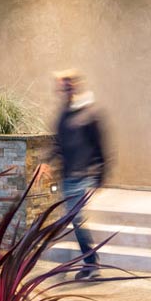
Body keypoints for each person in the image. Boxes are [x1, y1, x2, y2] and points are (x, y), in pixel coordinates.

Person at [51, 69, 107, 279]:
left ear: (73, 86)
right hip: (68, 176)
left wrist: (101, 176)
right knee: (73, 217)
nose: (62, 89)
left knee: (76, 217)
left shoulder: (88, 114)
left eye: (66, 84)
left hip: (83, 174)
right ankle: (89, 263)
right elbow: (58, 145)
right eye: (60, 85)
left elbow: (101, 146)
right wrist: (47, 164)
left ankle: (91, 264)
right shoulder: (63, 115)